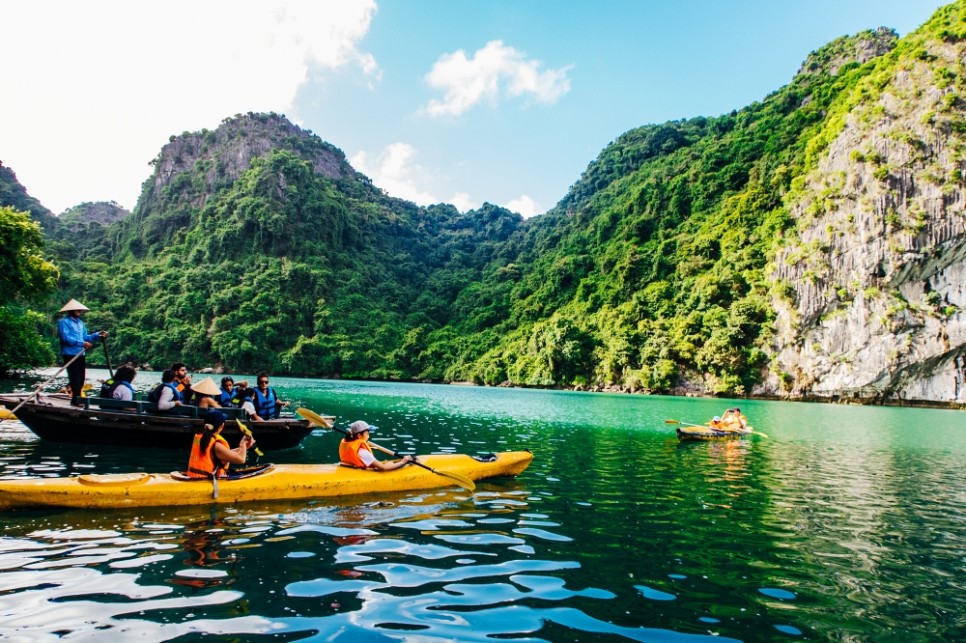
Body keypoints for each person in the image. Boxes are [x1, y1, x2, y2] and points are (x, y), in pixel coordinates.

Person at [57, 299, 108, 406]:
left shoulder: (81, 323)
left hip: (80, 353)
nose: (80, 311)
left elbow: (86, 337)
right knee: (74, 377)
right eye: (77, 309)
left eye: (80, 310)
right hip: (70, 353)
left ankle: (76, 398)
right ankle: (76, 399)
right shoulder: (64, 322)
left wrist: (98, 334)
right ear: (71, 310)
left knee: (81, 378)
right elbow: (66, 338)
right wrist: (81, 343)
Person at [186, 409, 255, 479]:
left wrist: (243, 448)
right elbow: (241, 460)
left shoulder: (201, 438)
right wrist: (242, 444)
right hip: (205, 481)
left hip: (194, 477)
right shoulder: (216, 445)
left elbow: (224, 454)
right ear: (221, 426)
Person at [338, 420, 415, 471]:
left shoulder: (348, 444)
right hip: (358, 471)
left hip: (349, 467)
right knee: (388, 464)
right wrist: (402, 462)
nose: (369, 436)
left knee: (389, 463)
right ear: (359, 435)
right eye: (367, 433)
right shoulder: (363, 452)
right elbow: (383, 468)